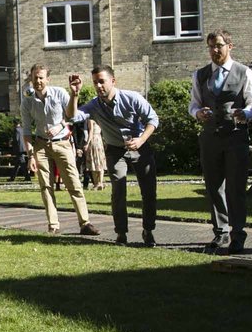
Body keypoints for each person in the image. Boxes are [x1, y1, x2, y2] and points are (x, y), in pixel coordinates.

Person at [67, 65, 159, 247]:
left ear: (113, 81)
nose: (99, 86)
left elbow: (153, 120)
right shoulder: (94, 105)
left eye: (102, 81)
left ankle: (148, 230)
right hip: (116, 151)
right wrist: (75, 94)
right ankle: (121, 233)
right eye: (95, 83)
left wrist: (140, 140)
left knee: (148, 191)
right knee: (118, 191)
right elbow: (72, 117)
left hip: (140, 148)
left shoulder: (132, 98)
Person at [189, 30, 252, 255]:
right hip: (210, 137)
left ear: (230, 46)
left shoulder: (243, 72)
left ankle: (238, 234)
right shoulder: (200, 75)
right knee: (214, 188)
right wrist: (197, 114)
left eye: (219, 46)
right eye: (211, 46)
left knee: (236, 188)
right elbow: (193, 104)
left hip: (235, 136)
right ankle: (220, 233)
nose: (215, 50)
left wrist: (247, 113)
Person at [20, 64, 100, 236]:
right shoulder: (27, 100)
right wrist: (30, 155)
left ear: (48, 79)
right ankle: (53, 225)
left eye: (41, 77)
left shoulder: (60, 93)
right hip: (41, 145)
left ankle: (85, 223)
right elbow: (26, 130)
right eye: (35, 77)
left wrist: (73, 97)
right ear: (31, 79)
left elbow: (72, 116)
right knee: (45, 186)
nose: (38, 81)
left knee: (74, 183)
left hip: (62, 142)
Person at [83, 119, 106, 190]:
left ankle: (96, 183)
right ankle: (101, 182)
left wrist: (87, 143)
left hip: (94, 140)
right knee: (100, 161)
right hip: (99, 140)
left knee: (93, 161)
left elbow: (91, 132)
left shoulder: (91, 120)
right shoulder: (100, 120)